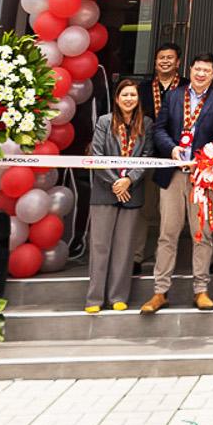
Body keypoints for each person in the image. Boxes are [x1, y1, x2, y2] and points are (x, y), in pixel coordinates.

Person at [144, 52, 213, 313]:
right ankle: (160, 292)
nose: (201, 74)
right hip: (173, 174)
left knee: (201, 234)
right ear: (190, 70)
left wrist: (202, 158)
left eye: (206, 70)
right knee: (167, 233)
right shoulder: (173, 96)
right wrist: (171, 148)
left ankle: (201, 290)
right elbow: (159, 129)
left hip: (202, 176)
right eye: (197, 69)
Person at [83, 79, 151, 313]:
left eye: (133, 95)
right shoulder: (104, 121)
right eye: (125, 95)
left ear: (138, 99)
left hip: (132, 192)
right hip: (105, 192)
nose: (129, 99)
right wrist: (115, 182)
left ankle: (118, 296)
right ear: (117, 98)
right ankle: (94, 299)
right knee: (100, 246)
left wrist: (129, 180)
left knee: (124, 248)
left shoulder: (146, 124)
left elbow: (147, 156)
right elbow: (97, 155)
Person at [136, 43, 183, 268]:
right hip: (148, 154)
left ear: (178, 62)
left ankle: (163, 257)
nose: (165, 61)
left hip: (176, 157)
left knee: (170, 212)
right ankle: (136, 255)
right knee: (144, 207)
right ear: (155, 62)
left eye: (169, 57)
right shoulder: (142, 89)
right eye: (161, 57)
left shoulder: (186, 87)